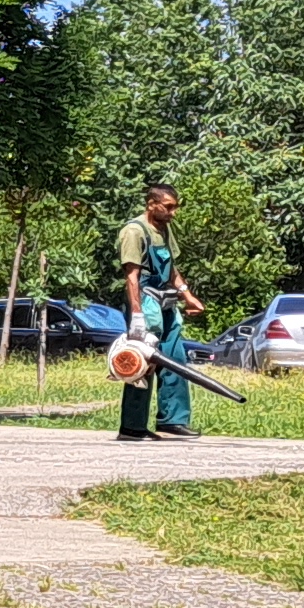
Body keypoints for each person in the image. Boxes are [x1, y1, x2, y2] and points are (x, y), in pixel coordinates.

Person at [114, 178, 202, 442]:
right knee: (143, 362)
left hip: (167, 300)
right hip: (146, 301)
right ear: (151, 204)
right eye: (168, 207)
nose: (173, 213)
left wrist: (187, 295)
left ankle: (172, 419)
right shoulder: (134, 231)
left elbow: (171, 267)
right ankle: (132, 426)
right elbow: (132, 276)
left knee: (175, 358)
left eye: (175, 207)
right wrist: (137, 316)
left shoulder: (163, 228)